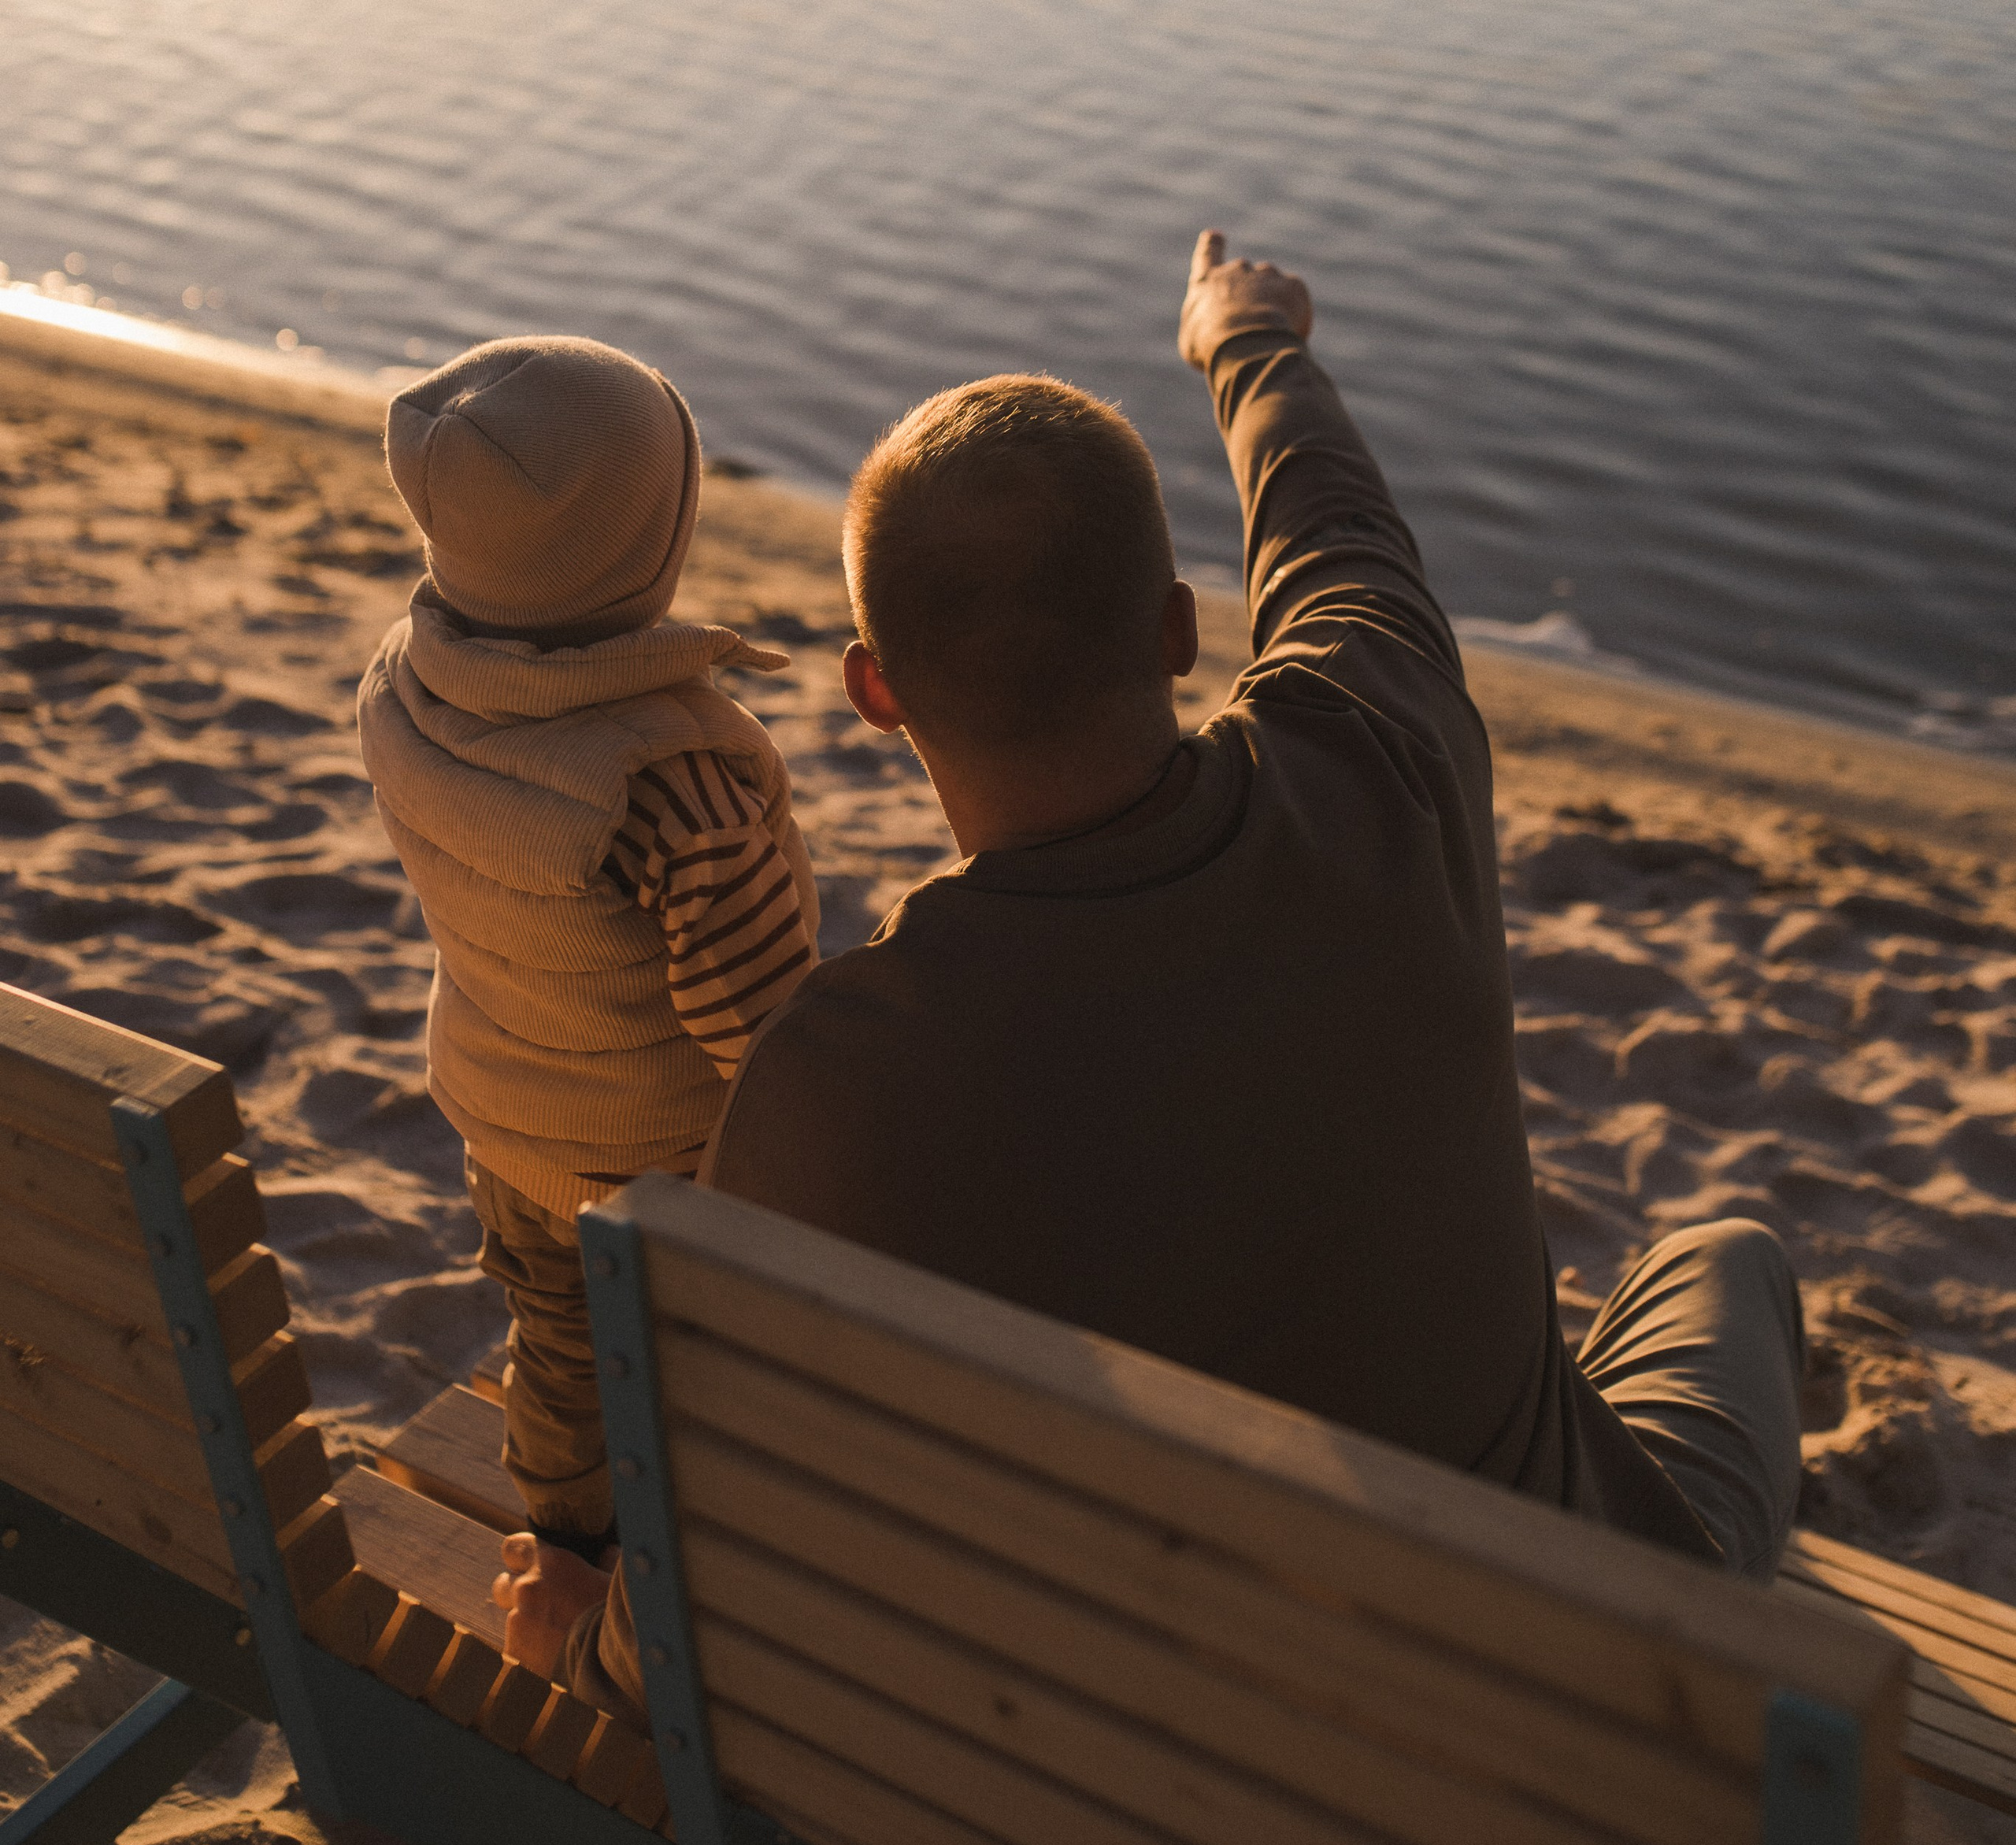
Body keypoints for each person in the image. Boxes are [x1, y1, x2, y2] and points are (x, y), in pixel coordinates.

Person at [495, 235, 1803, 1707]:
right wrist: (1248, 340)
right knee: (1724, 1257)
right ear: (1182, 631)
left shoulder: (832, 1076)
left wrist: (587, 1651)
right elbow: (1341, 532)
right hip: (1573, 1695)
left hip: (1155, 1786)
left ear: (875, 691)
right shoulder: (1386, 752)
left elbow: (736, 1505)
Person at [359, 335, 818, 1559]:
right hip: (655, 1164)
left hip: (503, 1109)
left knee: (557, 1340)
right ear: (647, 551)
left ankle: (563, 1532)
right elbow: (764, 1032)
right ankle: (677, 1576)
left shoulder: (407, 686)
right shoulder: (668, 782)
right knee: (700, 1363)